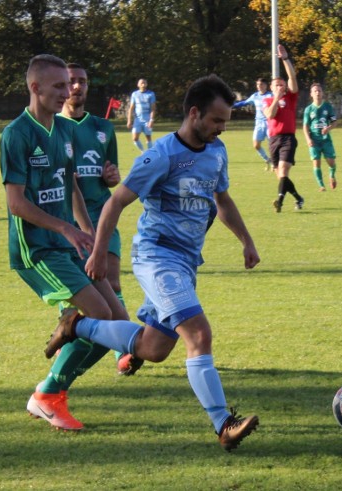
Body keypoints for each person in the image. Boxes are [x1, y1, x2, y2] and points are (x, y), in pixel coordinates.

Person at [44, 73, 261, 451]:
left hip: (186, 262)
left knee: (154, 348)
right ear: (194, 114)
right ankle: (223, 423)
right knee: (198, 334)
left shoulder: (216, 153)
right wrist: (97, 252)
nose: (221, 129)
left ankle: (77, 326)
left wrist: (246, 240)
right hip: (157, 256)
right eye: (216, 121)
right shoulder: (161, 155)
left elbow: (222, 201)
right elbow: (115, 203)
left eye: (225, 122)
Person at [0, 54, 129, 431]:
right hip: (36, 251)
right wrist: (65, 229)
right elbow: (15, 203)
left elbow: (70, 184)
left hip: (69, 243)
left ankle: (53, 376)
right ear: (35, 87)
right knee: (101, 316)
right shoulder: (16, 134)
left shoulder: (65, 130)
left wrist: (89, 236)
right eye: (59, 86)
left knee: (119, 329)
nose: (68, 91)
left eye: (70, 84)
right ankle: (49, 394)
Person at [57, 62, 143, 376]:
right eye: (70, 82)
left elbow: (111, 174)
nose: (76, 87)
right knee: (85, 293)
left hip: (102, 215)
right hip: (68, 222)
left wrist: (111, 176)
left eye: (81, 81)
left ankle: (124, 350)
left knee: (112, 281)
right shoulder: (52, 126)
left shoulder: (103, 128)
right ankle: (76, 341)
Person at [263, 45, 305, 212]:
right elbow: (270, 115)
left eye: (282, 84)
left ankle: (279, 201)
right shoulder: (267, 101)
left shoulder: (291, 97)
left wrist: (286, 59)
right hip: (273, 140)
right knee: (281, 175)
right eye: (276, 85)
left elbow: (292, 78)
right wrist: (276, 98)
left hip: (288, 138)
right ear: (272, 88)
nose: (280, 87)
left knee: (283, 170)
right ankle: (298, 198)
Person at [303, 83, 338, 192]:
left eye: (319, 91)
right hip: (314, 140)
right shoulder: (308, 109)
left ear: (322, 93)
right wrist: (308, 139)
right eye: (315, 91)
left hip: (325, 140)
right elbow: (305, 126)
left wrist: (328, 128)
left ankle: (332, 175)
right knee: (316, 162)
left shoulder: (327, 107)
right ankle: (321, 186)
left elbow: (335, 122)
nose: (317, 92)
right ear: (311, 94)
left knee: (331, 162)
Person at [232, 77, 273, 169]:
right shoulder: (255, 96)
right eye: (258, 84)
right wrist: (232, 105)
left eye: (261, 84)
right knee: (256, 145)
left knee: (272, 145)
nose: (259, 86)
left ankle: (275, 162)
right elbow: (243, 103)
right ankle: (267, 159)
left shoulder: (271, 95)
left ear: (266, 85)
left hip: (269, 123)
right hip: (259, 123)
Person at [127, 78, 156, 151]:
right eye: (141, 83)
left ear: (146, 84)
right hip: (137, 120)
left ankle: (150, 153)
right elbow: (131, 108)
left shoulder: (151, 94)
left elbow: (153, 108)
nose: (143, 84)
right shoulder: (135, 94)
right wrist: (129, 120)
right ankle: (143, 151)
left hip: (147, 119)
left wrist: (151, 120)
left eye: (144, 82)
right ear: (138, 85)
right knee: (135, 138)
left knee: (148, 137)